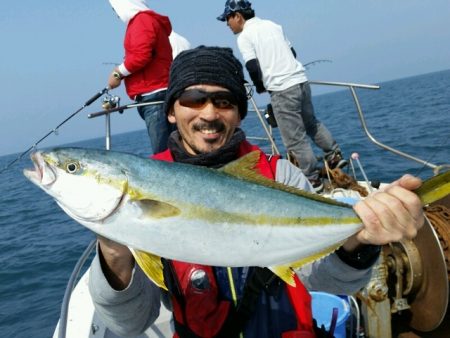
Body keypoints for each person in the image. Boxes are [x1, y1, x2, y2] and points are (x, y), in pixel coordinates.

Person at [89, 46, 424, 338]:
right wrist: (115, 256)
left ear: (238, 113)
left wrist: (357, 243)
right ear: (172, 111)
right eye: (194, 99)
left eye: (224, 101)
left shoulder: (279, 175)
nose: (209, 113)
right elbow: (131, 324)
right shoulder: (146, 184)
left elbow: (329, 282)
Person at [217, 0, 347, 192]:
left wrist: (261, 86)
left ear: (238, 15)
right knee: (311, 123)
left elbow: (252, 66)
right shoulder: (273, 25)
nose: (227, 24)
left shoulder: (244, 36)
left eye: (228, 19)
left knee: (294, 138)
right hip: (301, 81)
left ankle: (311, 179)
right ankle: (333, 154)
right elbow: (292, 52)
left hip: (282, 89)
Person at [107, 0, 175, 154]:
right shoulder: (145, 21)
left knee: (163, 155)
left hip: (155, 96)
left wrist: (118, 73)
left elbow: (141, 55)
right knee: (171, 151)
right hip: (157, 95)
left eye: (114, 9)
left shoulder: (141, 21)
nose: (116, 14)